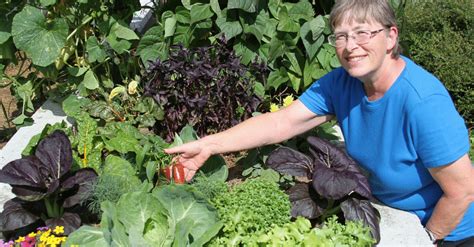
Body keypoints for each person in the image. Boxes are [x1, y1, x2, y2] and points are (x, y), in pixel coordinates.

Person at [165, 0, 474, 245]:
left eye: (363, 33)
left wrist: (426, 240)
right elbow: (282, 122)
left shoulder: (422, 101)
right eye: (341, 36)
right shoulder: (342, 83)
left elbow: (462, 192)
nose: (350, 46)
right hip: (392, 214)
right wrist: (210, 144)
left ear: (391, 36)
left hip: (450, 232)